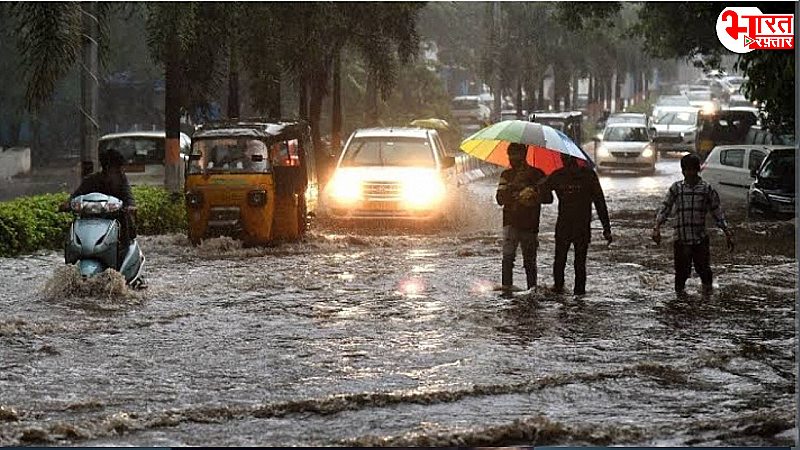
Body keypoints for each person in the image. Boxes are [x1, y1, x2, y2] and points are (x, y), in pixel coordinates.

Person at [652, 152, 734, 296]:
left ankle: (707, 299)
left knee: (704, 271)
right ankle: (680, 301)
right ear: (682, 171)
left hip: (699, 239)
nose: (689, 173)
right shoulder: (676, 188)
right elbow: (665, 208)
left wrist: (727, 232)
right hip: (681, 239)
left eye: (692, 169)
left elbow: (717, 212)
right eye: (686, 170)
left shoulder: (706, 189)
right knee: (681, 274)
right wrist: (657, 228)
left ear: (698, 170)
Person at [538, 153, 612, 296]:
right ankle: (571, 293)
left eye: (565, 158)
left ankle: (567, 293)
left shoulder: (580, 175)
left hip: (576, 226)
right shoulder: (577, 175)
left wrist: (606, 228)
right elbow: (545, 197)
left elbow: (599, 202)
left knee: (570, 262)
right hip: (572, 225)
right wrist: (606, 229)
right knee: (566, 262)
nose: (565, 161)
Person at [62, 148, 138, 266]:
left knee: (125, 235)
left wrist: (130, 206)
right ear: (108, 167)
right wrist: (68, 204)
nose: (121, 170)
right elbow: (77, 195)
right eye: (117, 168)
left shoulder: (121, 180)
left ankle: (121, 262)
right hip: (89, 221)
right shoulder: (91, 180)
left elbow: (128, 196)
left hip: (115, 219)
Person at [495, 142, 552, 297]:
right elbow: (500, 199)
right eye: (510, 156)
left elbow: (548, 198)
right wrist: (515, 191)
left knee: (530, 262)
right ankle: (506, 290)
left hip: (530, 224)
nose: (512, 160)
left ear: (523, 156)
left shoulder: (537, 175)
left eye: (515, 156)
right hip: (510, 223)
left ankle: (532, 291)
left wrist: (533, 194)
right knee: (507, 259)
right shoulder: (506, 175)